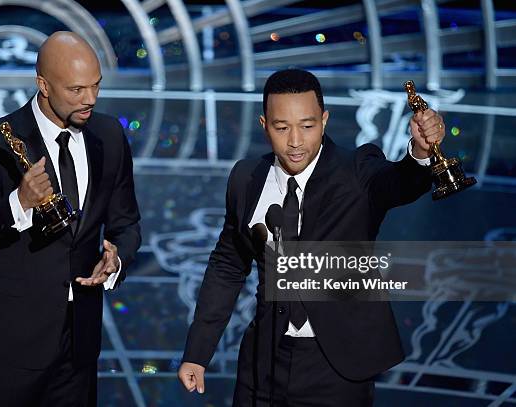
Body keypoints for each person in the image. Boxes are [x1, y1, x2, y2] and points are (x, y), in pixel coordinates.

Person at [178, 69, 444, 406]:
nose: (295, 141)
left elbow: (398, 183)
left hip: (338, 368)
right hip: (263, 364)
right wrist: (198, 352)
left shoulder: (358, 170)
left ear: (324, 120)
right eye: (281, 127)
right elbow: (228, 264)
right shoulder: (246, 178)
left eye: (307, 126)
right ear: (264, 125)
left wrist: (420, 155)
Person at [0, 31, 141, 406]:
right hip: (10, 349)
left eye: (96, 86)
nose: (91, 100)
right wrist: (17, 203)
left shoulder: (110, 135)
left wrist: (116, 259)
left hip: (80, 347)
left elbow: (127, 223)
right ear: (43, 86)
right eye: (77, 90)